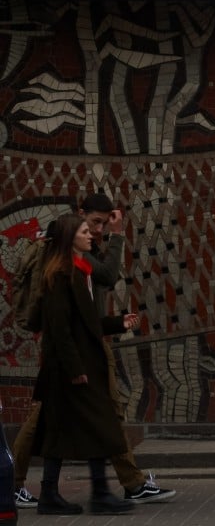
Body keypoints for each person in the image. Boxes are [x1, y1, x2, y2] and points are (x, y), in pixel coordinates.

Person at [13, 194, 176, 509]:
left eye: (102, 225)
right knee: (87, 418)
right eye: (92, 225)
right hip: (71, 354)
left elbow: (87, 309)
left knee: (81, 419)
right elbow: (99, 283)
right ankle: (114, 488)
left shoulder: (78, 258)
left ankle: (106, 488)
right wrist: (116, 236)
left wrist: (116, 323)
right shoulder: (62, 263)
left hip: (84, 347)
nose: (97, 231)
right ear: (77, 219)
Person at [31, 213, 140, 514]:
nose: (90, 235)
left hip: (81, 364)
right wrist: (75, 369)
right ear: (70, 239)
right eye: (83, 232)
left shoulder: (80, 271)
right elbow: (60, 329)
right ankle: (97, 493)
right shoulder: (61, 275)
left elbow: (86, 322)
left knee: (63, 430)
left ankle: (55, 494)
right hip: (73, 367)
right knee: (98, 426)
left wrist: (118, 323)